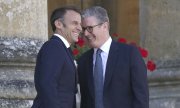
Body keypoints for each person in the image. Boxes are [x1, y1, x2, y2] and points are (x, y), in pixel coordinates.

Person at [77, 6, 149, 108]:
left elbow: (141, 97)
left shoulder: (129, 54)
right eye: (83, 29)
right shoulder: (83, 60)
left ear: (105, 26)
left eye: (89, 28)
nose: (85, 33)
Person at [32, 6, 82, 108]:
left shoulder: (62, 48)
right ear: (58, 24)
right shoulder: (54, 47)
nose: (80, 28)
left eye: (80, 24)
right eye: (74, 23)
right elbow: (47, 85)